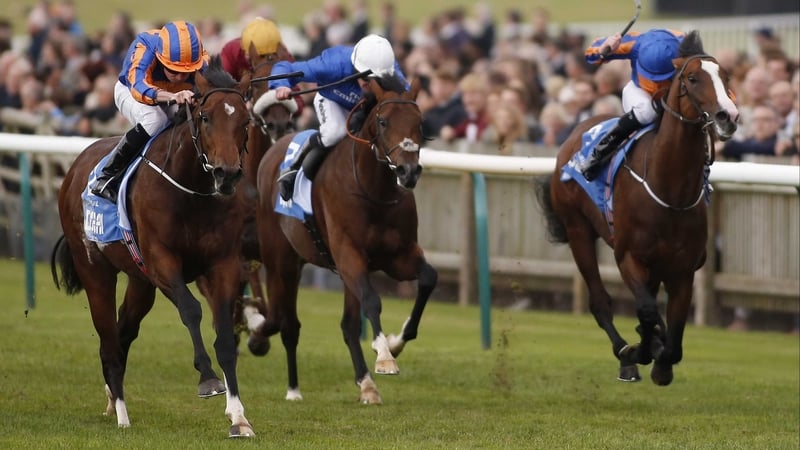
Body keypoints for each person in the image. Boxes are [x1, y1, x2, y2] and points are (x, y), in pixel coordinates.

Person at [268, 33, 408, 201]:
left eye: (375, 79)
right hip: (332, 99)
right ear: (355, 66)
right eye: (363, 76)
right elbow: (286, 67)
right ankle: (292, 167)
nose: (368, 83)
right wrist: (281, 86)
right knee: (335, 132)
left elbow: (405, 104)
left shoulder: (391, 72)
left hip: (365, 106)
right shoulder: (332, 64)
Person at [89, 20, 207, 203]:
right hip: (130, 92)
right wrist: (172, 96)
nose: (180, 77)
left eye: (187, 72)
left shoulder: (199, 57)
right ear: (160, 57)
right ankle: (107, 176)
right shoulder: (145, 45)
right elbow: (138, 87)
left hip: (171, 96)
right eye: (173, 71)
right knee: (155, 119)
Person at [575, 28, 685, 181]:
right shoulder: (634, 42)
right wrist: (604, 50)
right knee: (647, 111)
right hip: (640, 90)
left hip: (673, 94)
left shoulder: (688, 48)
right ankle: (598, 155)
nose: (656, 80)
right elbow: (589, 54)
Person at [220, 17, 294, 82]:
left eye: (268, 56)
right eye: (260, 56)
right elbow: (221, 86)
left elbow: (294, 89)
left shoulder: (283, 54)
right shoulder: (231, 52)